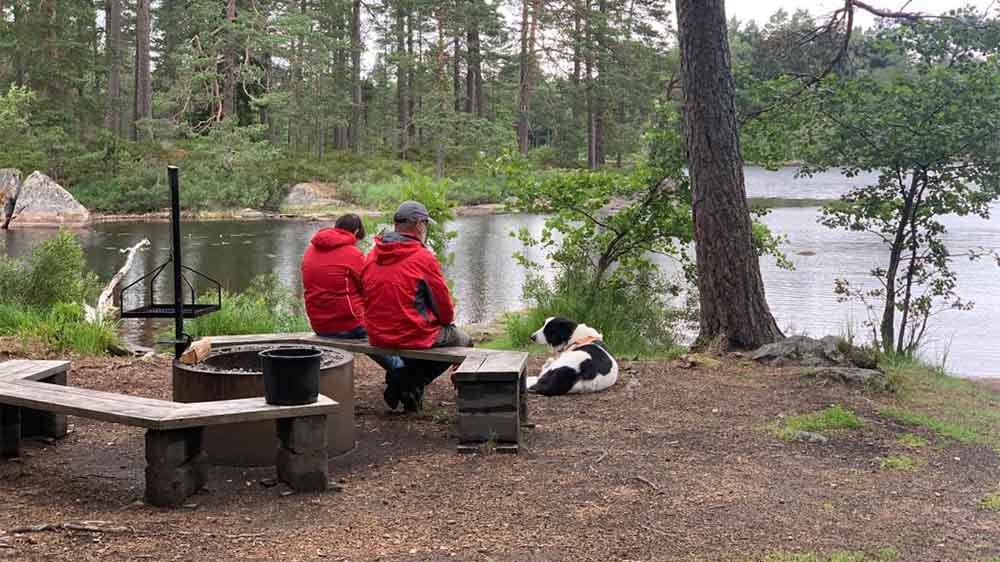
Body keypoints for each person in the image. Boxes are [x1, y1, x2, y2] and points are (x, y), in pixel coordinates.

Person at [362, 201, 472, 413]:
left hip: (376, 333)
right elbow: (445, 309)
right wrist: (443, 322)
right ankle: (405, 382)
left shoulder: (372, 254)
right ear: (419, 225)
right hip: (410, 334)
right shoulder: (423, 258)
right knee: (463, 339)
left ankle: (405, 384)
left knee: (417, 342)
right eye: (426, 224)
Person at [301, 213, 401, 372]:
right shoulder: (352, 254)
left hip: (318, 324)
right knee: (388, 332)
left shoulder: (310, 251)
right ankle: (403, 376)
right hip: (348, 325)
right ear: (355, 232)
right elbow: (369, 288)